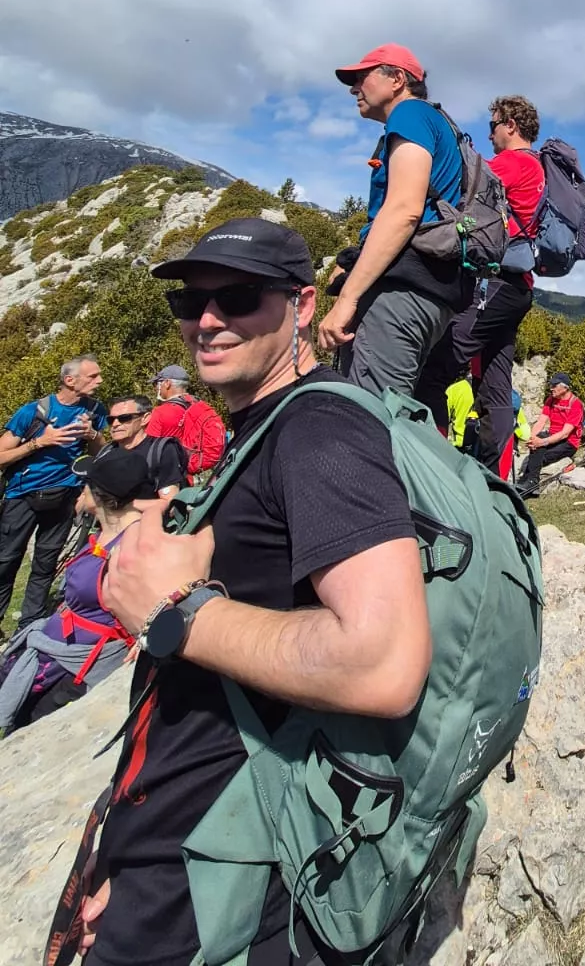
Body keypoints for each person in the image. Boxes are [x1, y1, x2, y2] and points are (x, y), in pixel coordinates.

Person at [77, 217, 431, 966]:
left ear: (302, 307)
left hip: (221, 872)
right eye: (190, 302)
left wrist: (177, 617)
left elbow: (384, 661)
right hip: (175, 851)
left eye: (237, 298)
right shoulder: (262, 426)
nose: (206, 321)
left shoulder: (320, 432)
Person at [318, 44, 469, 396]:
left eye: (362, 77)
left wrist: (348, 299)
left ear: (398, 79)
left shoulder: (410, 114)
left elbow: (404, 210)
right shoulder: (438, 122)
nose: (355, 88)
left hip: (399, 295)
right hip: (429, 293)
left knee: (374, 420)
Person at [417, 95, 546, 473]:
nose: (489, 134)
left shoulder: (513, 163)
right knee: (494, 386)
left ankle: (431, 467)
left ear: (511, 125)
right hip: (517, 288)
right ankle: (493, 479)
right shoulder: (536, 167)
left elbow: (466, 185)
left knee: (434, 369)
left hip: (494, 285)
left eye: (492, 126)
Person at [0, 443, 150, 733]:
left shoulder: (131, 549)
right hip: (56, 653)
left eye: (86, 485)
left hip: (76, 669)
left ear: (101, 495)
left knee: (29, 731)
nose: (79, 490)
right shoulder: (107, 534)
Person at [0, 357, 105, 634]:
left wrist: (93, 434)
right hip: (22, 495)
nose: (100, 381)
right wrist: (38, 442)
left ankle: (28, 627)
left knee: (46, 562)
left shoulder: (95, 410)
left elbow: (101, 454)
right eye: (92, 376)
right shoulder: (32, 412)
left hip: (64, 496)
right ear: (70, 380)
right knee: (6, 560)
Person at [144, 364, 226, 477]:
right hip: (189, 477)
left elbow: (148, 449)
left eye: (157, 384)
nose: (156, 388)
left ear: (167, 383)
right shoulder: (200, 407)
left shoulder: (160, 413)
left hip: (167, 476)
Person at [515, 373, 585, 499]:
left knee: (540, 453)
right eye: (550, 385)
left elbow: (565, 434)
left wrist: (541, 442)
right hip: (553, 436)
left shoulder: (575, 404)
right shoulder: (550, 400)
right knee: (538, 441)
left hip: (569, 443)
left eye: (554, 385)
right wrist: (532, 438)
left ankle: (530, 481)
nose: (551, 388)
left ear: (565, 388)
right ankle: (529, 482)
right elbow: (541, 421)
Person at [107, 394, 188, 494]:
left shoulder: (162, 451)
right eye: (110, 420)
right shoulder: (107, 451)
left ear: (145, 418)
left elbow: (168, 501)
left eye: (124, 418)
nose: (115, 424)